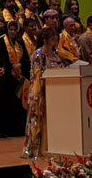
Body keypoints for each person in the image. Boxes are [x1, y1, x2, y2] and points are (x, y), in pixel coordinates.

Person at [22, 28, 66, 159]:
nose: (55, 38)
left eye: (55, 36)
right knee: (38, 121)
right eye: (52, 36)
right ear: (45, 38)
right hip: (39, 92)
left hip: (55, 91)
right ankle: (35, 149)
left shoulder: (57, 53)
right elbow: (36, 73)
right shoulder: (38, 54)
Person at [0, 21, 26, 137]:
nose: (13, 32)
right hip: (7, 77)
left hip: (17, 76)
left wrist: (19, 65)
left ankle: (18, 129)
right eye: (10, 29)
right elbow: (1, 58)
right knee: (7, 103)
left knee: (18, 103)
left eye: (14, 30)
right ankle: (7, 129)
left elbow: (23, 58)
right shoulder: (1, 41)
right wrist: (11, 67)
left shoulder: (18, 43)